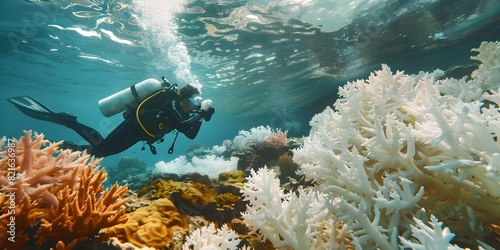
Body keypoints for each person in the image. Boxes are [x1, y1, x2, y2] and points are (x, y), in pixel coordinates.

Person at [8, 83, 215, 157]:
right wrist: (201, 112)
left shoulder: (186, 112)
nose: (197, 104)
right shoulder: (171, 102)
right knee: (103, 146)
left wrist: (203, 117)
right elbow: (181, 125)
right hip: (135, 126)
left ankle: (67, 146)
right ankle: (69, 121)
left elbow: (190, 133)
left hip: (141, 134)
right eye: (196, 100)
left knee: (101, 152)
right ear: (186, 97)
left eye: (199, 102)